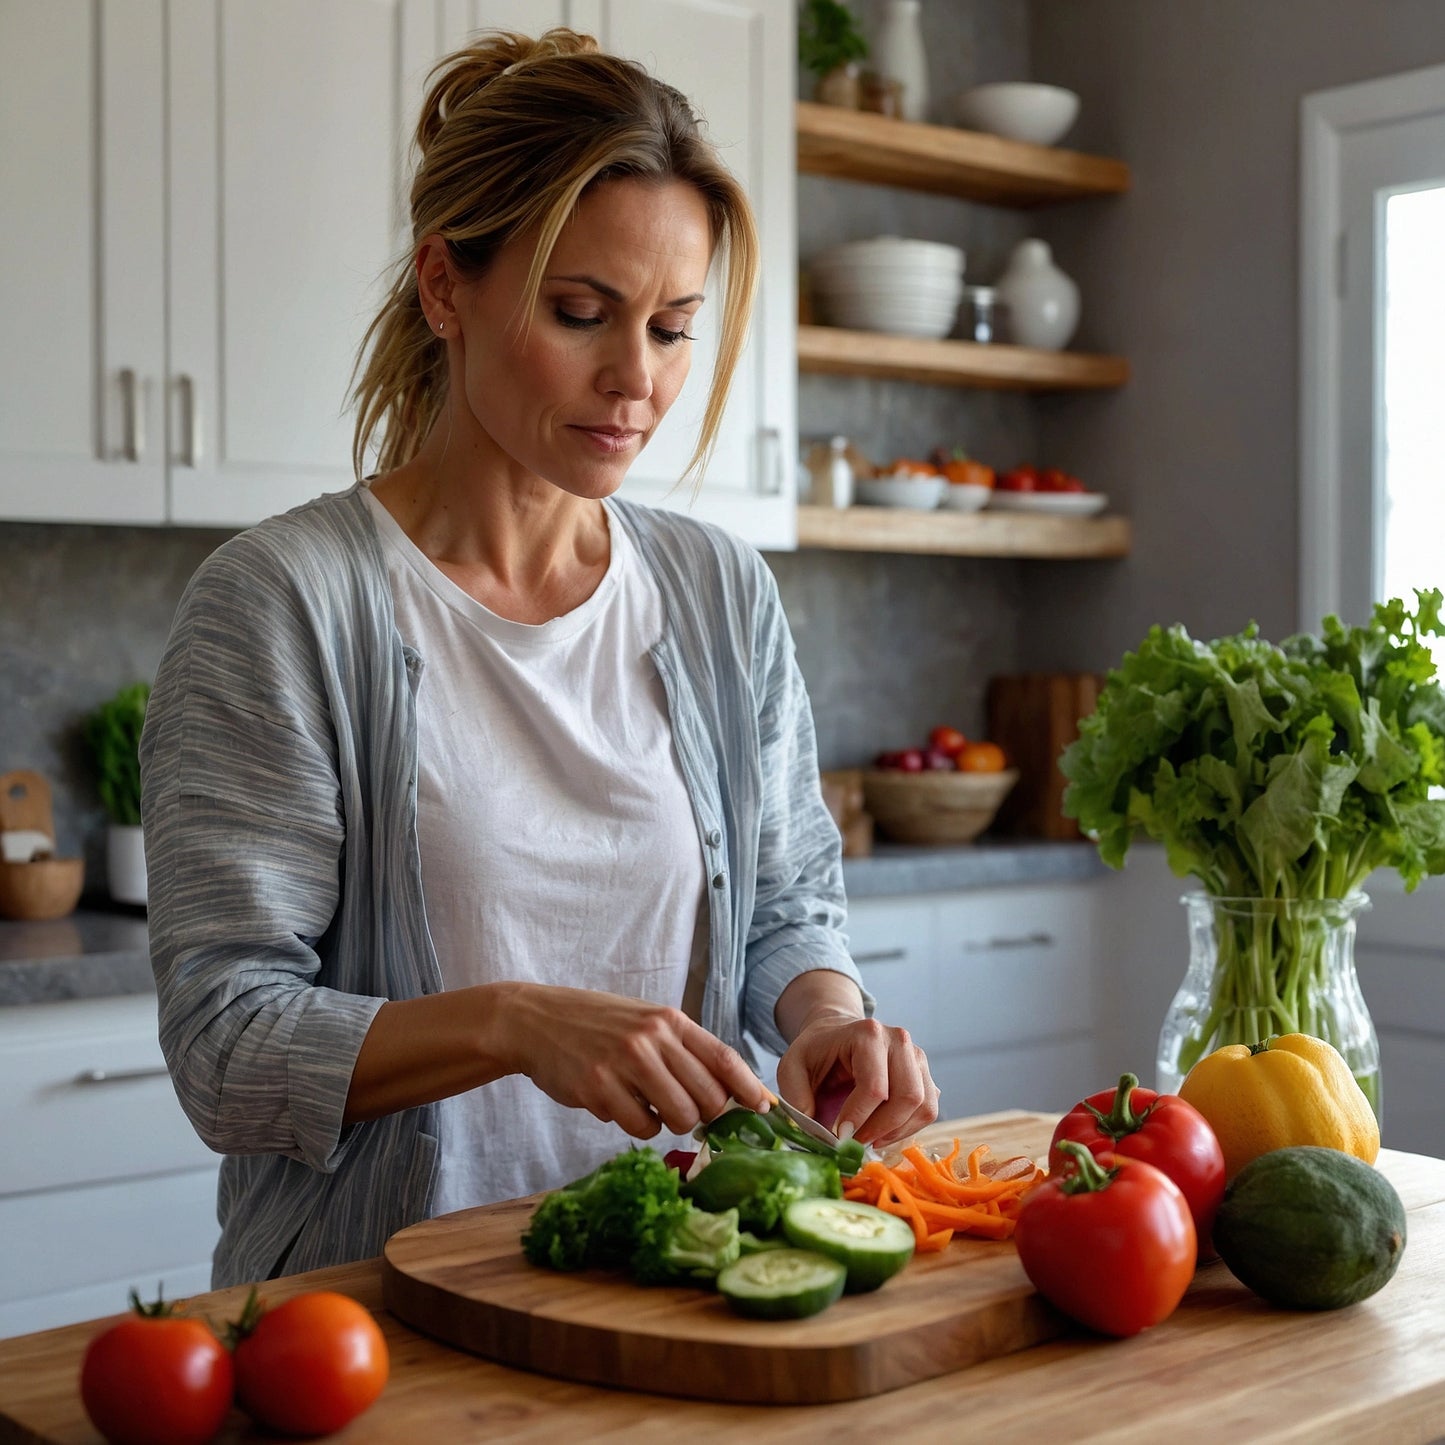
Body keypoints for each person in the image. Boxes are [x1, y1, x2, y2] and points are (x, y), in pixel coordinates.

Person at [140, 27, 938, 1290]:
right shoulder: (285, 602)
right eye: (581, 313)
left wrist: (827, 1016)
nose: (636, 380)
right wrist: (512, 1023)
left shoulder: (718, 592)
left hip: (680, 1281)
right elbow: (226, 1049)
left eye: (673, 328)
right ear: (444, 287)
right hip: (377, 1314)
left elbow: (786, 904)